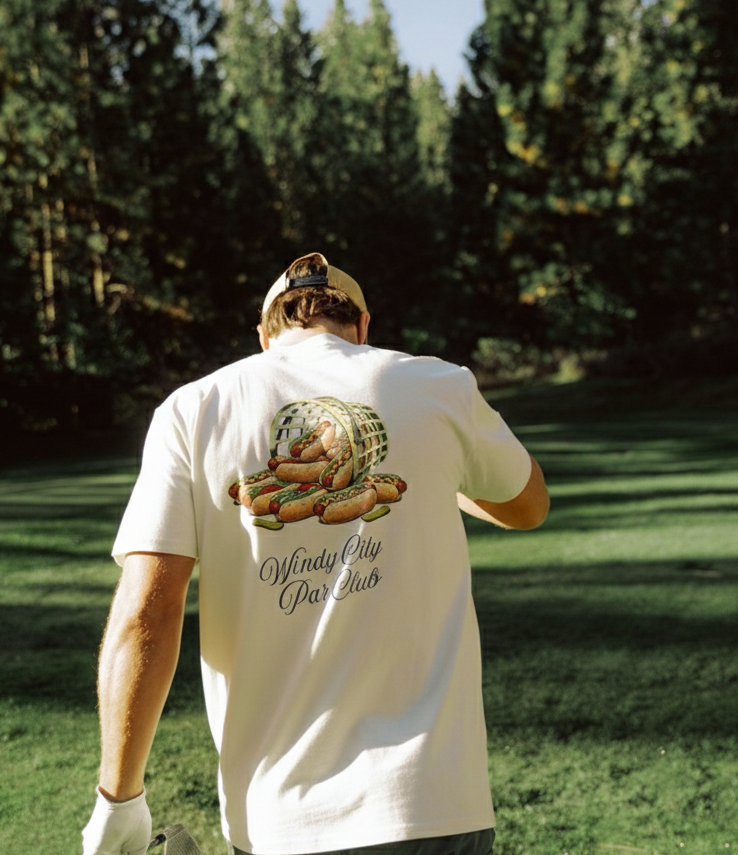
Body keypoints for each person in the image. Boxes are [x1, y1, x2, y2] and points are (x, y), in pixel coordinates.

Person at [82, 253, 550, 855]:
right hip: (435, 804)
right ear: (362, 325)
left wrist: (118, 798)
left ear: (265, 333)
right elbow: (528, 504)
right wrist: (437, 467)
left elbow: (146, 611)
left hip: (282, 820)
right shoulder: (439, 384)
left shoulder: (193, 410)